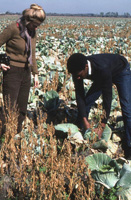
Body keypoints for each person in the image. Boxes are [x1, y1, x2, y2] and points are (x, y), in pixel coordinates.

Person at [67, 53, 131, 159]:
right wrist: (84, 120)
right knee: (86, 102)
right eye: (75, 75)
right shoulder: (77, 70)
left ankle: (129, 146)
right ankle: (80, 135)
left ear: (86, 67)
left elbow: (107, 99)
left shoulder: (102, 68)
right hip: (101, 76)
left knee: (127, 109)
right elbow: (80, 95)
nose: (77, 78)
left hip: (120, 71)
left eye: (79, 75)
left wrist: (102, 126)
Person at [0, 4, 46, 134]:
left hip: (26, 73)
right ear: (27, 21)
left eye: (38, 25)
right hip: (12, 71)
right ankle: (3, 137)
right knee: (10, 107)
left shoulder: (32, 32)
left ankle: (15, 137)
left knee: (22, 109)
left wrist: (35, 74)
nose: (36, 27)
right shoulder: (12, 29)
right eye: (34, 24)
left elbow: (32, 54)